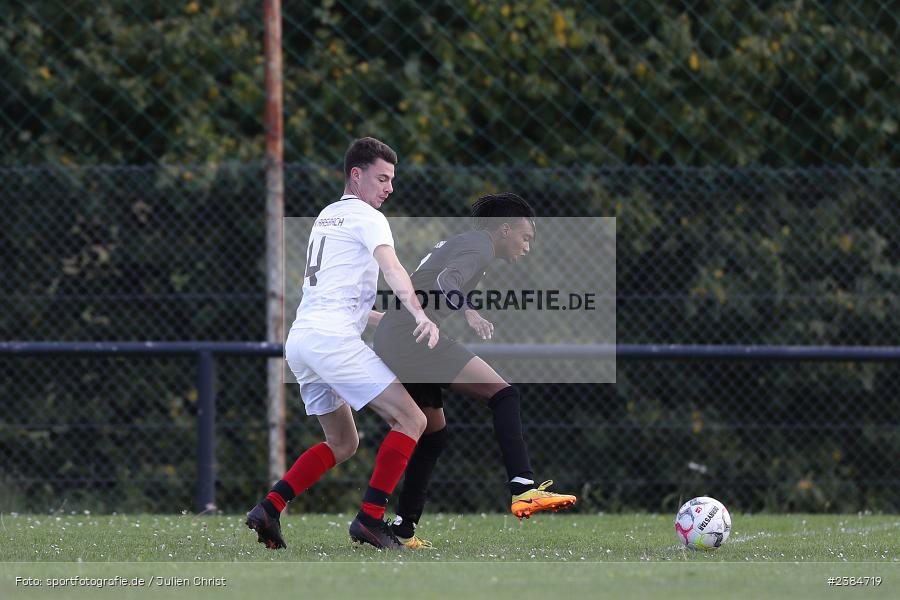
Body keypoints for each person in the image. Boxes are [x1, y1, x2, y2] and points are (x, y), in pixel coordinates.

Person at [246, 137, 439, 551]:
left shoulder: (327, 216)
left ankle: (270, 507)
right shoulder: (368, 217)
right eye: (382, 178)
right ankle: (370, 519)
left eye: (392, 180)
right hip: (332, 341)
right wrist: (419, 313)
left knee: (343, 443)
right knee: (412, 420)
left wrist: (387, 320)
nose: (389, 188)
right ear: (357, 174)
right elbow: (393, 267)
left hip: (303, 341)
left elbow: (337, 297)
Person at [372, 192, 576, 549]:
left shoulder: (464, 243)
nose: (527, 247)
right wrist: (470, 312)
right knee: (503, 394)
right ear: (505, 230)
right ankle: (523, 488)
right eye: (525, 238)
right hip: (413, 337)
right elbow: (448, 281)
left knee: (432, 434)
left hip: (399, 335)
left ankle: (402, 530)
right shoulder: (479, 247)